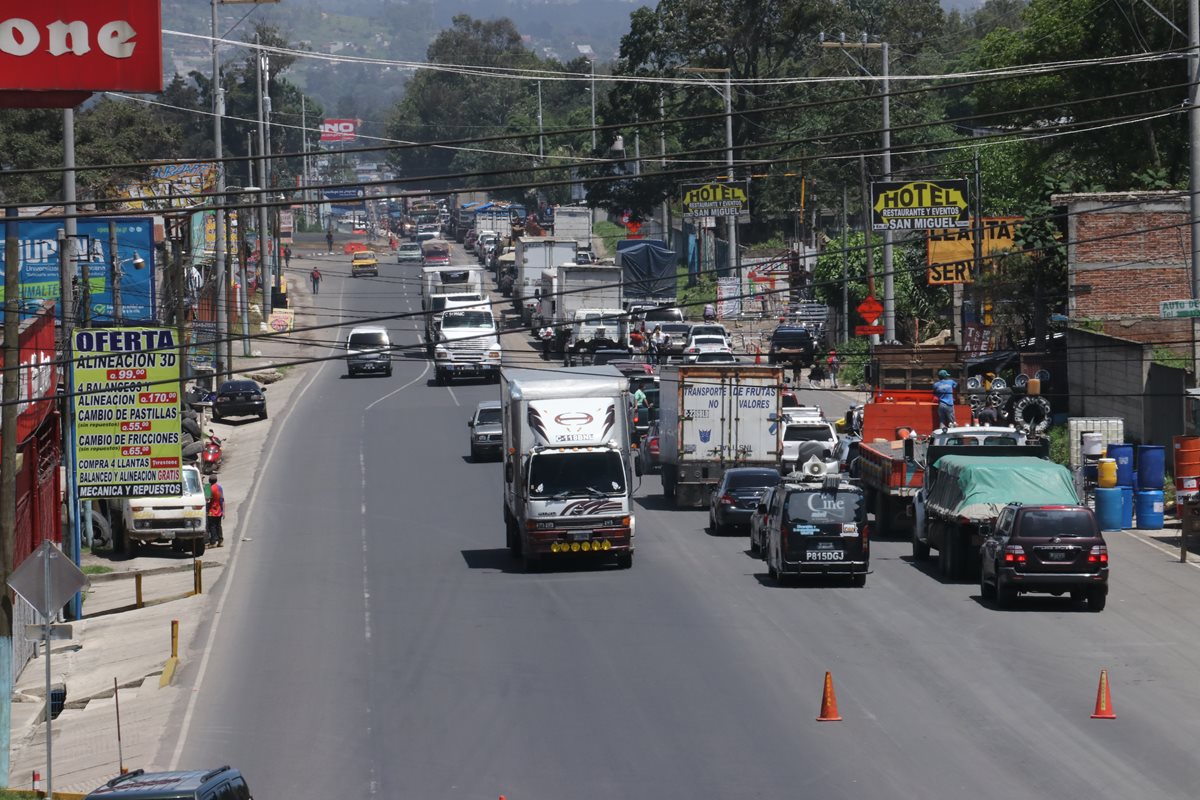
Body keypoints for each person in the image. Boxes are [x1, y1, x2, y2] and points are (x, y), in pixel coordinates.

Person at [206, 475, 224, 548]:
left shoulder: (208, 488)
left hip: (211, 511)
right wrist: (223, 511)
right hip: (219, 510)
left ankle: (213, 542)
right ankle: (220, 541)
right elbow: (222, 499)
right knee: (218, 526)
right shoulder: (219, 487)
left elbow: (207, 500)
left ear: (209, 481)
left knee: (212, 526)